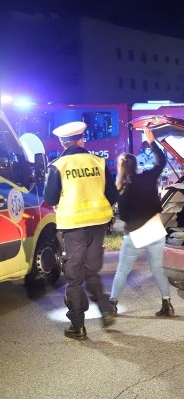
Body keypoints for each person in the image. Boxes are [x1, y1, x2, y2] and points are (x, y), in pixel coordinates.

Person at [44, 121, 118, 340]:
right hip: (98, 224)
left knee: (74, 276)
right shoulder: (99, 162)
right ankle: (105, 309)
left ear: (62, 142)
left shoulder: (59, 165)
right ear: (81, 140)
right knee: (91, 270)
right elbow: (113, 195)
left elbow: (49, 198)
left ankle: (78, 326)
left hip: (73, 226)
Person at [109, 126, 175, 317]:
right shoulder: (147, 177)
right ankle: (167, 305)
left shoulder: (121, 190)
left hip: (136, 234)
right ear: (136, 165)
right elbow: (162, 161)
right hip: (155, 229)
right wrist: (151, 141)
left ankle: (112, 304)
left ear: (121, 168)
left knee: (122, 271)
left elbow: (123, 215)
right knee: (157, 269)